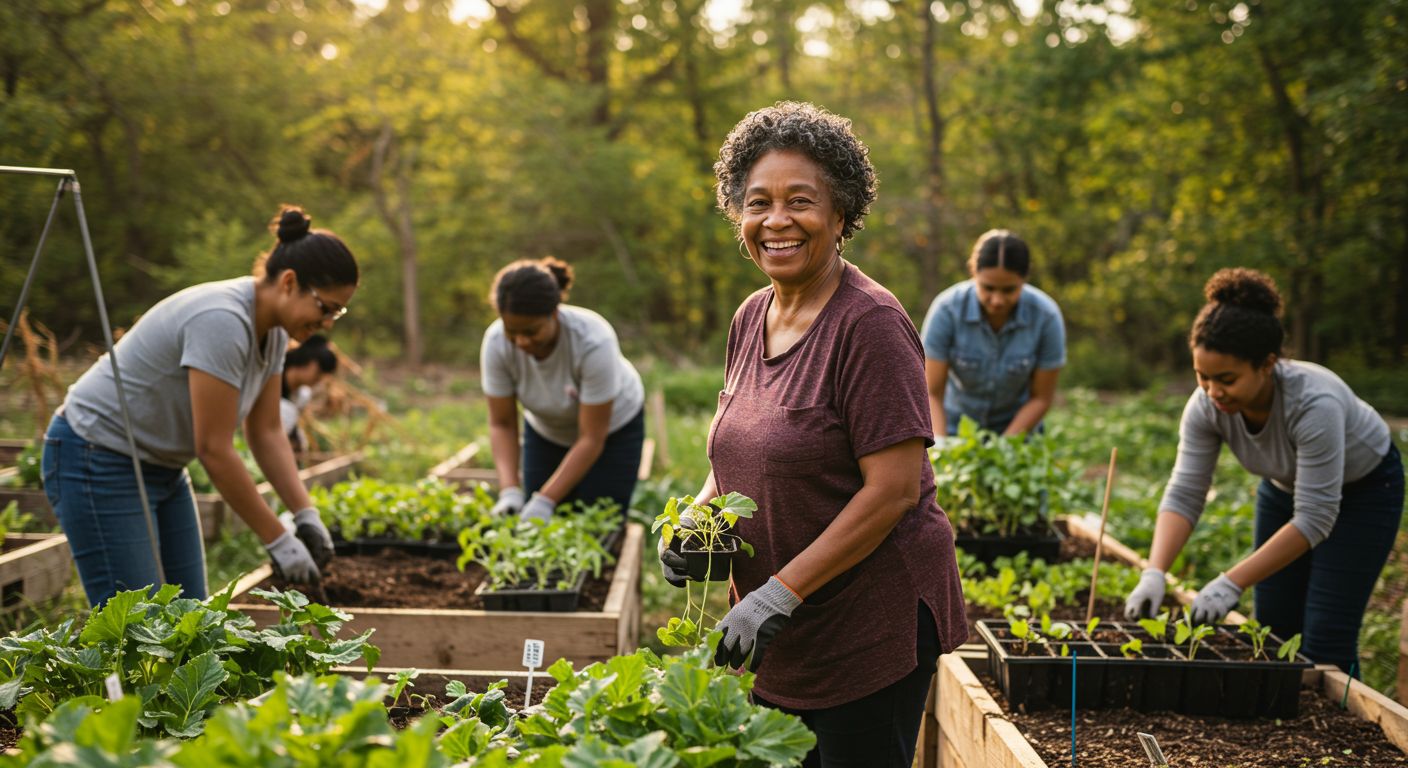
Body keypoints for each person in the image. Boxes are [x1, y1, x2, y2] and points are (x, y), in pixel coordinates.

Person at [658, 101, 967, 767]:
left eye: (801, 201)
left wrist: (779, 592)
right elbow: (737, 453)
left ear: (840, 213)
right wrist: (695, 519)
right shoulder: (751, 315)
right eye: (758, 202)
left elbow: (891, 493)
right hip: (786, 628)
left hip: (868, 623)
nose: (777, 221)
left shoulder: (870, 325)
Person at [41, 206, 355, 606]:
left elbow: (267, 432)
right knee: (136, 626)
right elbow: (213, 448)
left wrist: (305, 514)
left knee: (192, 617)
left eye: (337, 312)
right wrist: (277, 537)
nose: (328, 322)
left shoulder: (274, 333)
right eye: (325, 307)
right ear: (290, 282)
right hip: (96, 455)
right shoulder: (222, 320)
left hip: (164, 465)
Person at [1123, 268, 1403, 674]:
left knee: (1326, 641)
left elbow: (1316, 516)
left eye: (1227, 379)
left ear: (1267, 364)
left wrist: (1230, 581)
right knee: (1272, 632)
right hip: (1283, 487)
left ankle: (1337, 733)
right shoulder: (1205, 407)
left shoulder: (1313, 404)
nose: (1212, 391)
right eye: (1202, 376)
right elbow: (1185, 491)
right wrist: (1154, 571)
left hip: (1366, 492)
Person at [480, 257, 645, 522]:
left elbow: (591, 437)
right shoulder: (497, 343)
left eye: (531, 331)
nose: (521, 341)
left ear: (554, 313)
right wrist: (509, 490)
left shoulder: (592, 340)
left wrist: (546, 499)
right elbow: (502, 424)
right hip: (546, 430)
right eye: (513, 332)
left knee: (599, 520)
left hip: (614, 430)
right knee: (534, 525)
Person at [919, 230, 1065, 437]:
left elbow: (1041, 397)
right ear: (973, 273)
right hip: (955, 429)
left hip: (1019, 434)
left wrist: (1003, 447)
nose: (997, 300)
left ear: (1024, 279)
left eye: (1008, 290)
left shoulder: (1046, 316)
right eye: (988, 288)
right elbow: (932, 392)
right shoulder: (947, 310)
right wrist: (940, 445)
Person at [280, 335, 337, 452]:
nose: (319, 379)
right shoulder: (273, 376)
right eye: (319, 372)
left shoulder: (302, 395)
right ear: (309, 360)